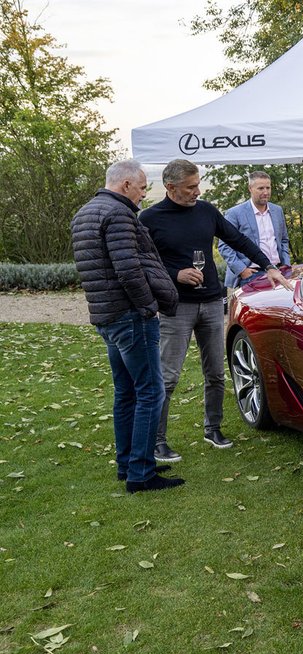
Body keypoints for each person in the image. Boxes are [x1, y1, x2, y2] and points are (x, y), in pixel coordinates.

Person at [141, 159, 292, 463]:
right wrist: (176, 274)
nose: (197, 191)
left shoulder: (207, 211)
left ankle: (213, 428)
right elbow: (143, 261)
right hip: (177, 305)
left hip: (211, 301)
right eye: (190, 187)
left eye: (198, 184)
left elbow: (238, 240)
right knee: (168, 376)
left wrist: (268, 266)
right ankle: (157, 441)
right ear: (170, 188)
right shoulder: (150, 218)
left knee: (216, 372)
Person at [71, 159, 185, 493]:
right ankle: (141, 473)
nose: (143, 194)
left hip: (106, 316)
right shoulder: (119, 214)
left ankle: (129, 464)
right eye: (142, 188)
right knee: (151, 391)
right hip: (131, 317)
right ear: (125, 186)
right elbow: (128, 270)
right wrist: (149, 307)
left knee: (126, 392)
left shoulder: (85, 213)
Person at [219, 170, 291, 287]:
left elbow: (283, 240)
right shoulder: (235, 213)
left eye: (268, 188)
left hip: (278, 272)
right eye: (261, 188)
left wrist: (286, 265)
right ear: (250, 188)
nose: (266, 192)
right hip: (251, 275)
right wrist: (242, 270)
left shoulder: (277, 210)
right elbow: (224, 246)